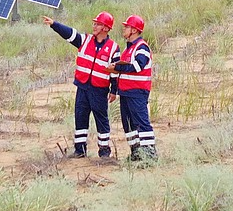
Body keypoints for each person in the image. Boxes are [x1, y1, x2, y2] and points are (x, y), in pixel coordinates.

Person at [43, 11, 120, 158]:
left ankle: (104, 151)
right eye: (94, 23)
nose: (94, 26)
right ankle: (80, 150)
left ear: (105, 28)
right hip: (83, 87)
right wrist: (54, 25)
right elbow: (70, 33)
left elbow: (115, 72)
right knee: (80, 117)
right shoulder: (84, 40)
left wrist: (114, 90)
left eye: (97, 24)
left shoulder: (113, 48)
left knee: (101, 119)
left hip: (99, 90)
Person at [113, 14, 157, 162]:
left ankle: (150, 155)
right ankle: (136, 153)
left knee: (141, 121)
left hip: (137, 91)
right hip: (126, 92)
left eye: (126, 27)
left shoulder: (141, 47)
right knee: (129, 124)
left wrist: (117, 67)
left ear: (134, 30)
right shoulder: (128, 50)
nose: (123, 29)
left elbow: (138, 66)